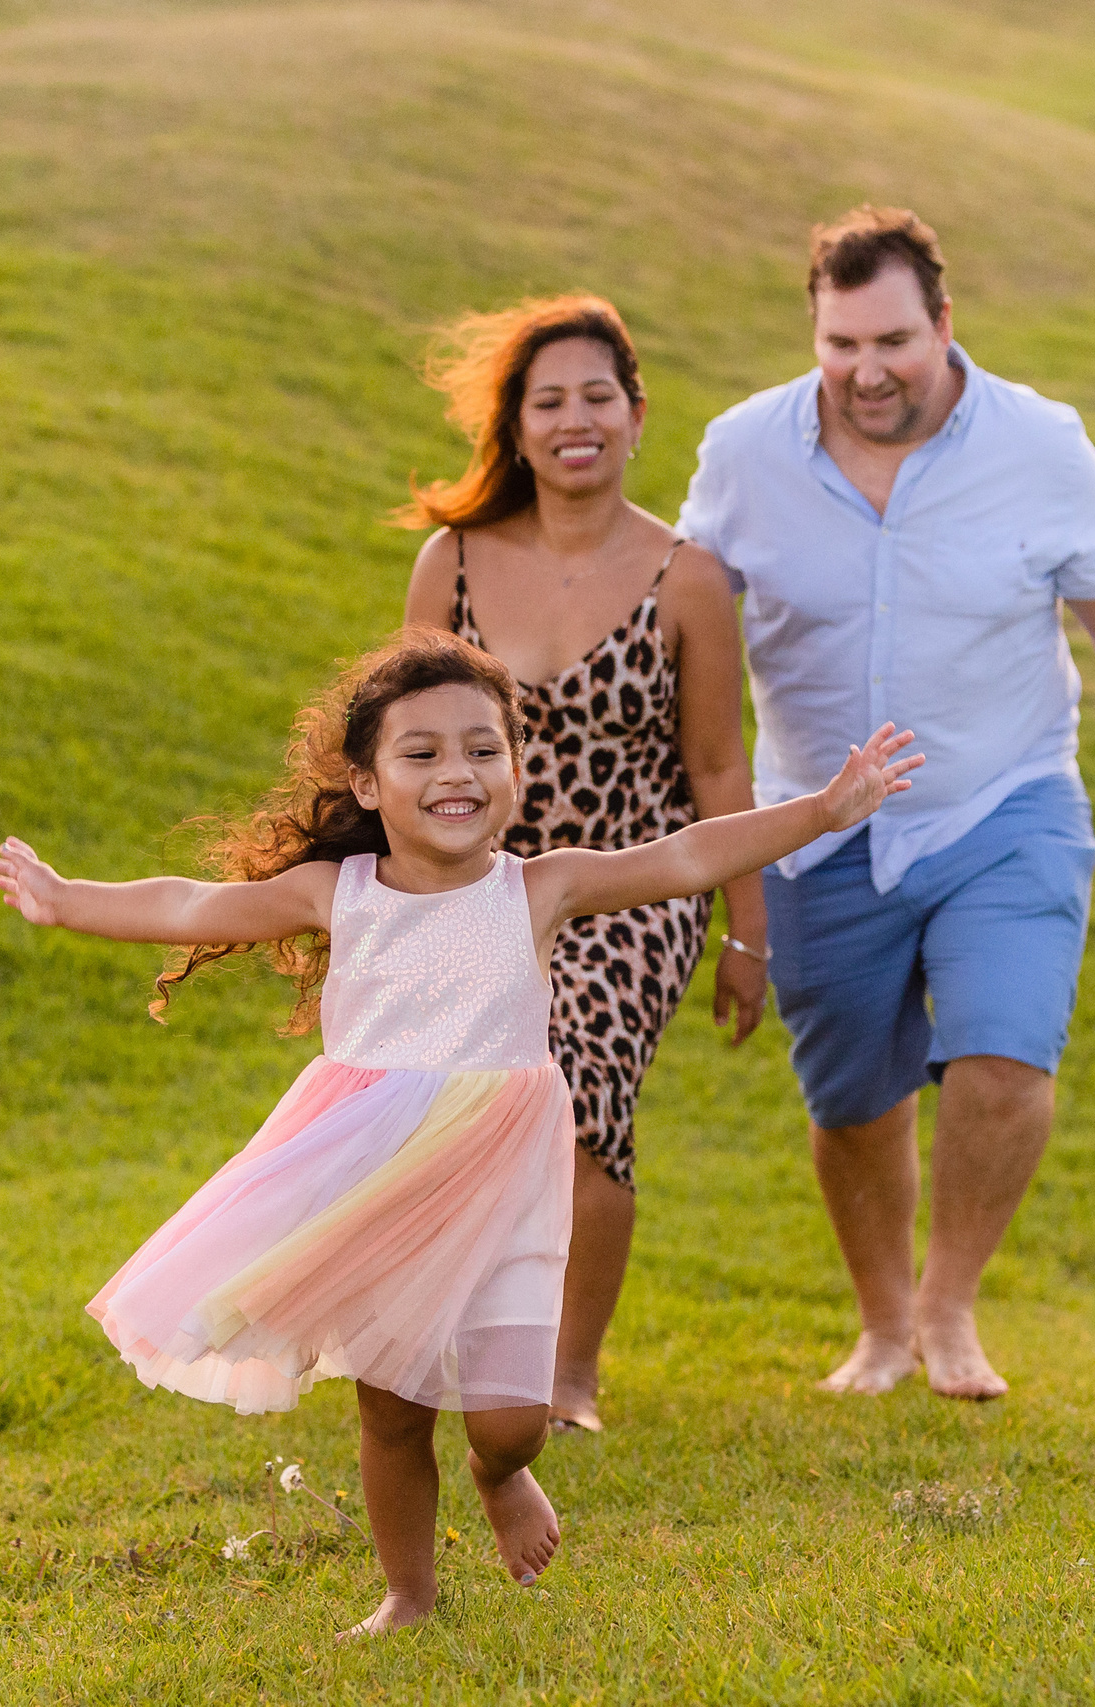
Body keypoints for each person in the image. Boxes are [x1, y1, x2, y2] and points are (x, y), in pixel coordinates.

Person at [0, 629, 919, 1636]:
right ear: (370, 783)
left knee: (513, 1420)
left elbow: (683, 854)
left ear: (516, 769)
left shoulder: (539, 888)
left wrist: (824, 809)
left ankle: (496, 1471)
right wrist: (68, 901)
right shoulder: (334, 895)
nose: (455, 773)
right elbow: (196, 903)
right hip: (376, 1177)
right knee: (389, 1409)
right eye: (420, 754)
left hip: (506, 1172)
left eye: (482, 749)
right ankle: (408, 1595)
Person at [678, 205, 1095, 1402]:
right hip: (818, 825)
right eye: (840, 346)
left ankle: (949, 1306)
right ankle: (881, 1327)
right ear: (813, 336)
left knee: (1005, 1058)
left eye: (891, 342)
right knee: (854, 1099)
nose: (866, 372)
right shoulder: (742, 452)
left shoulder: (1039, 444)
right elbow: (687, 629)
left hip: (1004, 800)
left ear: (942, 325)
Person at [400, 293, 767, 1435]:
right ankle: (452, 1340)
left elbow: (716, 766)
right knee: (461, 1107)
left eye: (596, 397)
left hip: (633, 888)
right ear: (514, 426)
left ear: (636, 411)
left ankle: (569, 1374)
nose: (575, 420)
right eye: (547, 400)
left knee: (576, 1091)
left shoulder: (689, 578)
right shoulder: (450, 563)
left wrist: (747, 932)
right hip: (475, 882)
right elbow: (403, 744)